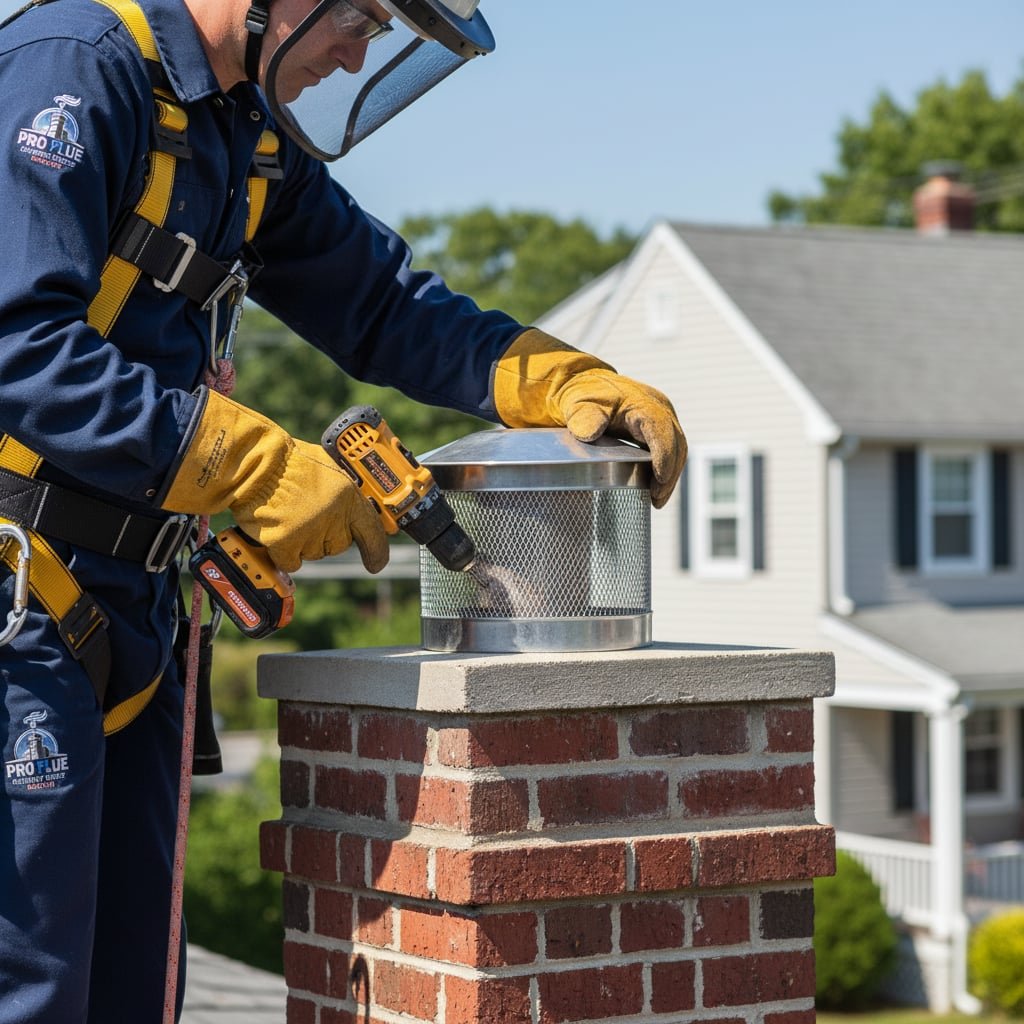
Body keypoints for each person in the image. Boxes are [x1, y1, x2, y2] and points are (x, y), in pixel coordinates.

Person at [0, 0, 686, 1019]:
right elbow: (18, 343)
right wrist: (252, 465)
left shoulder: (245, 134)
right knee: (32, 987)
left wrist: (548, 376)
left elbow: (383, 303)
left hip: (130, 607)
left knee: (132, 986)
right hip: (22, 602)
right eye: (359, 17)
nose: (359, 57)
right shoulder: (74, 67)